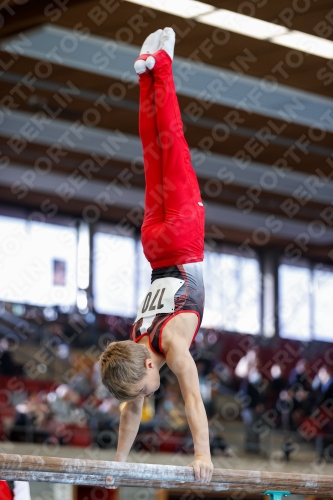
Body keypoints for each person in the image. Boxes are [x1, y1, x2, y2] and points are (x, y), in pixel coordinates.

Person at [99, 27, 212, 484]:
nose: (145, 398)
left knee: (174, 144)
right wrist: (116, 469)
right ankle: (146, 75)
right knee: (154, 155)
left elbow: (192, 400)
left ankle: (162, 65)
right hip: (154, 244)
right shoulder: (135, 339)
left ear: (148, 365)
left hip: (183, 240)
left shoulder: (170, 346)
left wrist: (202, 455)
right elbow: (130, 413)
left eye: (144, 389)